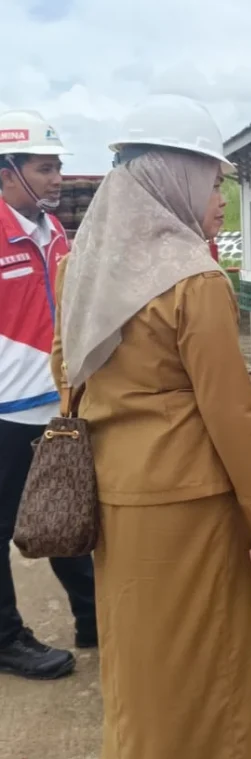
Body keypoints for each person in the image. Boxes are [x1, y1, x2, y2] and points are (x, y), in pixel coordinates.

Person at [53, 94, 251, 759]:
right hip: (187, 498)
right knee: (194, 657)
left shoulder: (92, 264)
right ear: (174, 177)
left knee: (133, 651)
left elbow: (68, 372)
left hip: (115, 486)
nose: (219, 198)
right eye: (212, 178)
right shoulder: (193, 280)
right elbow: (231, 413)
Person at [0, 110, 96, 680]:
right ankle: (6, 638)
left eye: (58, 165)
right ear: (9, 170)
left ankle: (93, 619)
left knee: (66, 515)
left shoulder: (52, 229)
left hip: (56, 405)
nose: (58, 177)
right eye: (46, 166)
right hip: (5, 414)